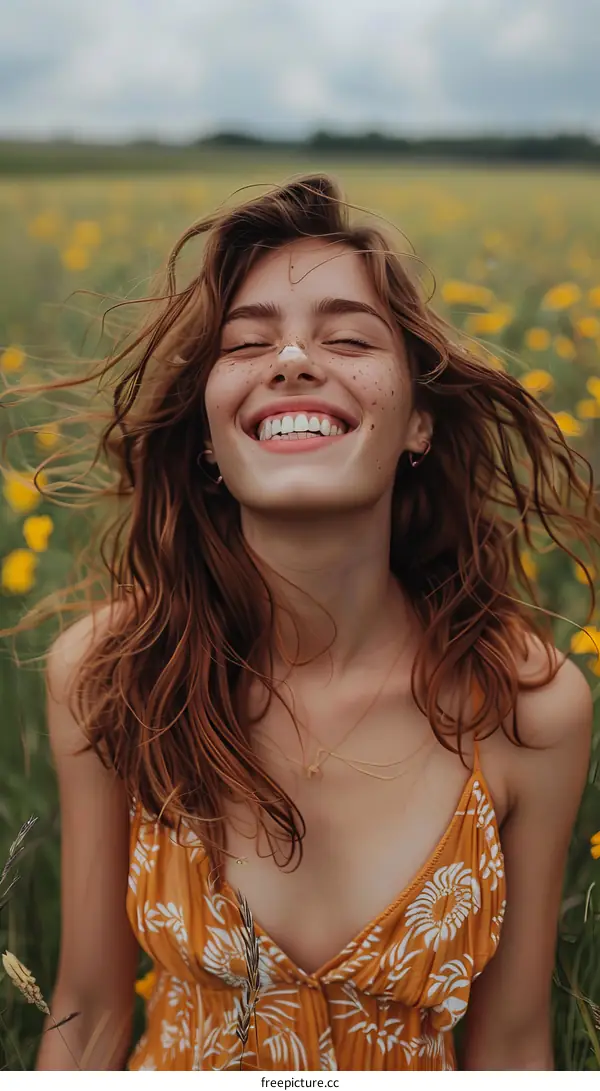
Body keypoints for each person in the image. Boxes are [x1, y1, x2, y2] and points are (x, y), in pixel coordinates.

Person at [18, 174, 595, 1070]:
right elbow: (88, 1014)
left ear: (419, 423)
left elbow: (513, 1048)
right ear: (207, 436)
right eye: (247, 343)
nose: (291, 359)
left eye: (349, 338)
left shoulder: (528, 705)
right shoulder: (110, 673)